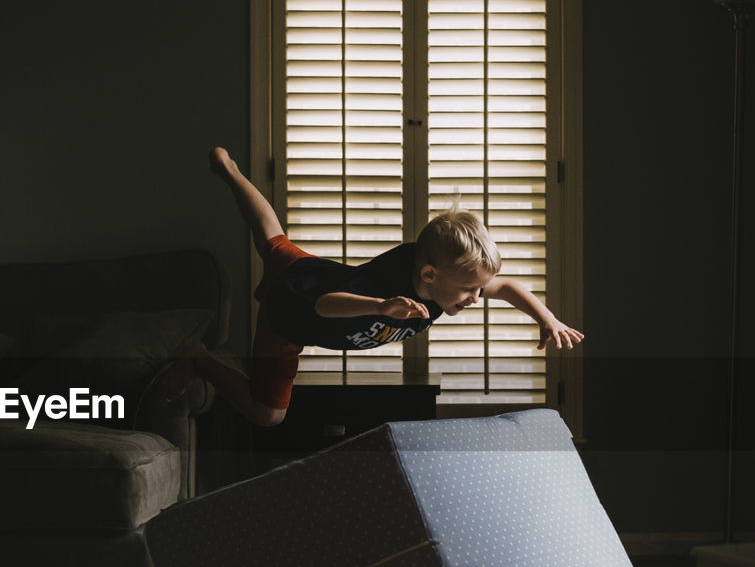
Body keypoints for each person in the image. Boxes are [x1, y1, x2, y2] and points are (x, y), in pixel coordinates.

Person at [162, 147, 583, 426]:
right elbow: (324, 306)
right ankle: (199, 360)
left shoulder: (442, 287)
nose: (477, 299)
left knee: (272, 237)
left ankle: (231, 172)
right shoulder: (388, 283)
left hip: (310, 269)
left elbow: (505, 286)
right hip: (290, 314)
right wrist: (381, 307)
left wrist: (546, 318)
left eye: (478, 291)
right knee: (268, 414)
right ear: (431, 276)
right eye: (470, 291)